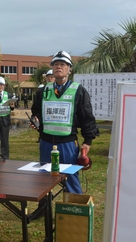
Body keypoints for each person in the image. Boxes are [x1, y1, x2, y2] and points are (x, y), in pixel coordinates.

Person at [29, 50, 99, 219]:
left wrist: (87, 140)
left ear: (70, 69)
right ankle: (42, 209)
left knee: (70, 177)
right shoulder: (43, 91)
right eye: (56, 65)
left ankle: (75, 211)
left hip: (68, 144)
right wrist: (35, 119)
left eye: (63, 65)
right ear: (52, 69)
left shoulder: (78, 91)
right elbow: (35, 111)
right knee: (44, 179)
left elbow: (87, 117)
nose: (59, 67)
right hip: (46, 142)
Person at [0, 76, 15, 160]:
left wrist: (12, 106)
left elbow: (12, 108)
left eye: (1, 85)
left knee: (4, 139)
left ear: (4, 86)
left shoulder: (8, 95)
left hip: (5, 120)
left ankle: (5, 156)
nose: (0, 87)